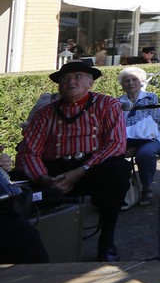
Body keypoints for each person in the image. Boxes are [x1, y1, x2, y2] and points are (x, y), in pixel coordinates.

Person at [15, 61, 129, 262]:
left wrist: (82, 169)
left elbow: (116, 144)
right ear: (59, 86)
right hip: (54, 170)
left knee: (118, 170)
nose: (71, 82)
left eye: (78, 77)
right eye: (65, 78)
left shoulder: (107, 104)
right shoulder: (45, 113)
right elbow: (29, 152)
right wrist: (43, 178)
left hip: (92, 167)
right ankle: (34, 243)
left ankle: (107, 240)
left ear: (90, 83)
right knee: (15, 185)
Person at [118, 65, 160, 206]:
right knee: (113, 156)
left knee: (145, 154)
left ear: (141, 82)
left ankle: (146, 188)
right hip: (126, 140)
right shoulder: (117, 102)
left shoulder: (151, 98)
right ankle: (122, 190)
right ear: (122, 85)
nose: (131, 83)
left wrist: (135, 146)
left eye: (134, 80)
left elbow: (155, 122)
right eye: (127, 81)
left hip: (151, 138)